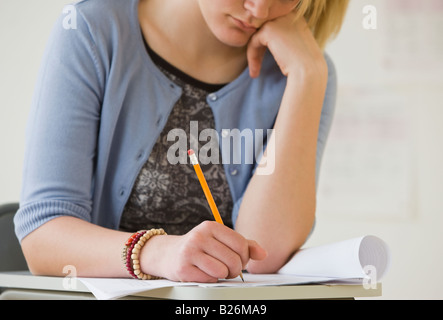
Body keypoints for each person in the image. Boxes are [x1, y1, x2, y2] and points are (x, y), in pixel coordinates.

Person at [14, 0, 349, 282]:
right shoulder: (92, 29)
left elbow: (262, 255)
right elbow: (43, 237)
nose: (258, 9)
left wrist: (308, 77)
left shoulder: (299, 70)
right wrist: (159, 253)